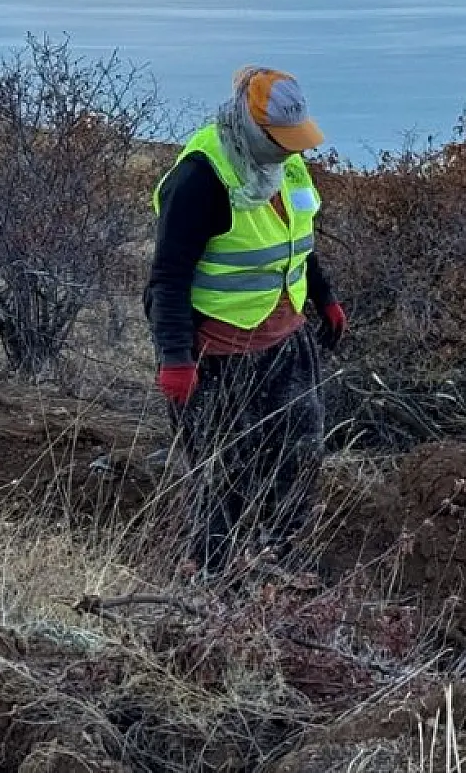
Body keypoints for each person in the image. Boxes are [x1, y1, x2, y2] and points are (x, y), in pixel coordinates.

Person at [146, 66, 348, 577]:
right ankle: (214, 586)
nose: (291, 150)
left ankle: (285, 576)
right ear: (252, 126)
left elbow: (295, 243)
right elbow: (167, 279)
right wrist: (175, 359)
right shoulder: (200, 178)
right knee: (222, 479)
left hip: (285, 342)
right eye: (280, 139)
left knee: (298, 461)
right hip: (215, 356)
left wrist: (324, 299)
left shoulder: (292, 166)